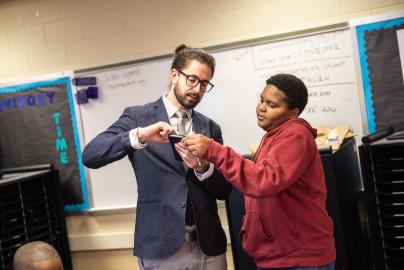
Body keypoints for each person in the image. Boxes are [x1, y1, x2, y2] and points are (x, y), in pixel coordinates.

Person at [82, 44, 232, 270]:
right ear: (174, 75)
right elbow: (91, 155)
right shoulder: (138, 117)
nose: (197, 88)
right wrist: (140, 135)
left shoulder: (210, 128)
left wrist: (203, 169)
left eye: (204, 83)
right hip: (161, 248)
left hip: (209, 247)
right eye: (192, 79)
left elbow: (224, 189)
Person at [177, 74, 336, 270]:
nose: (261, 108)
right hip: (279, 256)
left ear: (292, 113)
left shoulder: (296, 135)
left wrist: (213, 150)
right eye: (261, 100)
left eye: (272, 105)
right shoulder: (274, 136)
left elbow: (263, 181)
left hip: (299, 259)